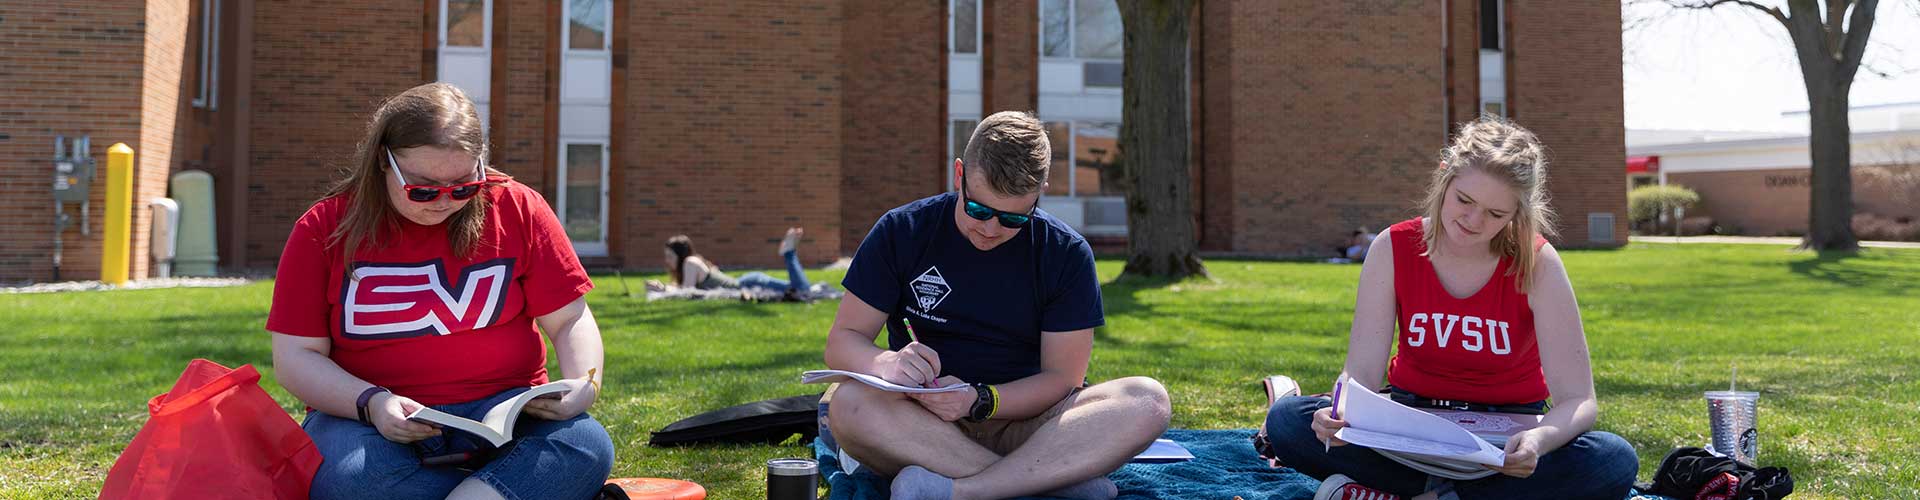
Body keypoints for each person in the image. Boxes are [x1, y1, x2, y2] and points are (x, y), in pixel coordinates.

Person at [267, 83, 614, 500]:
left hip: (504, 413)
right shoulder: (323, 228)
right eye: (423, 188)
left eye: (465, 185)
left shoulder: (518, 208)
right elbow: (295, 358)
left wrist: (584, 384)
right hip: (366, 419)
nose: (444, 201)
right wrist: (372, 403)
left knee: (586, 445)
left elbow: (570, 318)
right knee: (345, 477)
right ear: (384, 161)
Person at [1262, 116, 1639, 500]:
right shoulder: (1393, 247)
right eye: (1464, 200)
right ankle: (1452, 495)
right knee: (1289, 422)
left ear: (1518, 213)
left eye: (1496, 214)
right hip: (1409, 428)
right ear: (1445, 178)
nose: (1473, 221)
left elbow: (1579, 400)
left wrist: (1539, 440)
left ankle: (1409, 494)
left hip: (1505, 439)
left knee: (1612, 459)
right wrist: (1338, 414)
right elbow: (1361, 372)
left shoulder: (1537, 261)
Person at [822, 111, 1172, 500]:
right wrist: (884, 363)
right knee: (849, 405)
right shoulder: (902, 231)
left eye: (1013, 219)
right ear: (959, 176)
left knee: (1147, 399)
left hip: (1031, 425)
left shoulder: (1065, 254)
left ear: (1041, 192)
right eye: (979, 210)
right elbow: (843, 340)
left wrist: (980, 400)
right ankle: (1048, 485)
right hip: (924, 425)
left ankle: (970, 490)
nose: (990, 229)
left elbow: (1061, 379)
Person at [645, 228, 812, 298]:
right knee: (800, 289)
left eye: (670, 256)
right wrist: (663, 288)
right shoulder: (691, 262)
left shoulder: (689, 262)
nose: (667, 261)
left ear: (680, 255)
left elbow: (688, 292)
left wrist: (664, 289)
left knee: (802, 290)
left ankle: (789, 253)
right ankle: (789, 253)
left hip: (750, 284)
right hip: (746, 281)